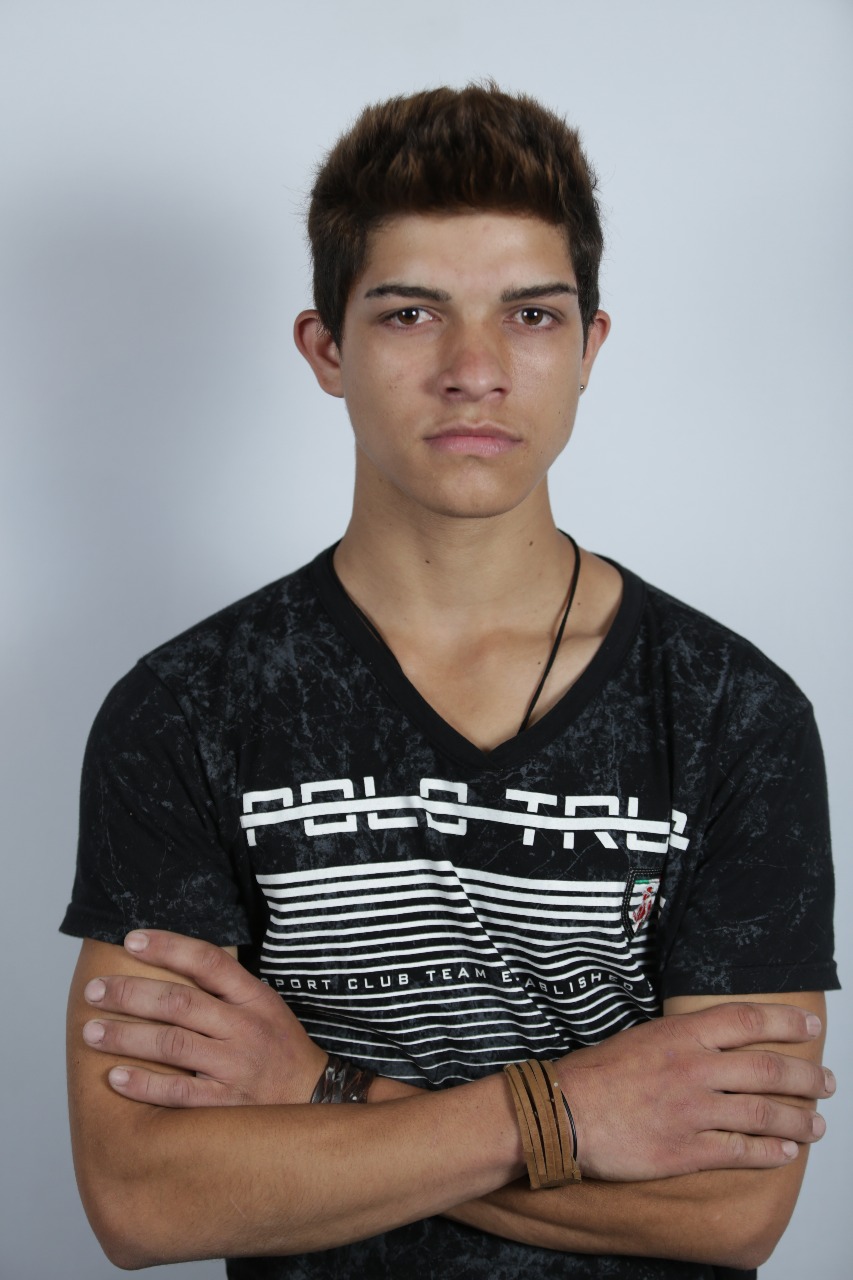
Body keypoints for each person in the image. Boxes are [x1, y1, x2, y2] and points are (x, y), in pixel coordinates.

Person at [62, 84, 838, 1279]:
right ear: (326, 349)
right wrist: (573, 1113)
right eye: (411, 312)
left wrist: (322, 1091)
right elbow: (144, 1196)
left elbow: (729, 1208)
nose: (475, 370)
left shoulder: (733, 712)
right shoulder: (188, 708)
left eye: (530, 315)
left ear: (589, 347)